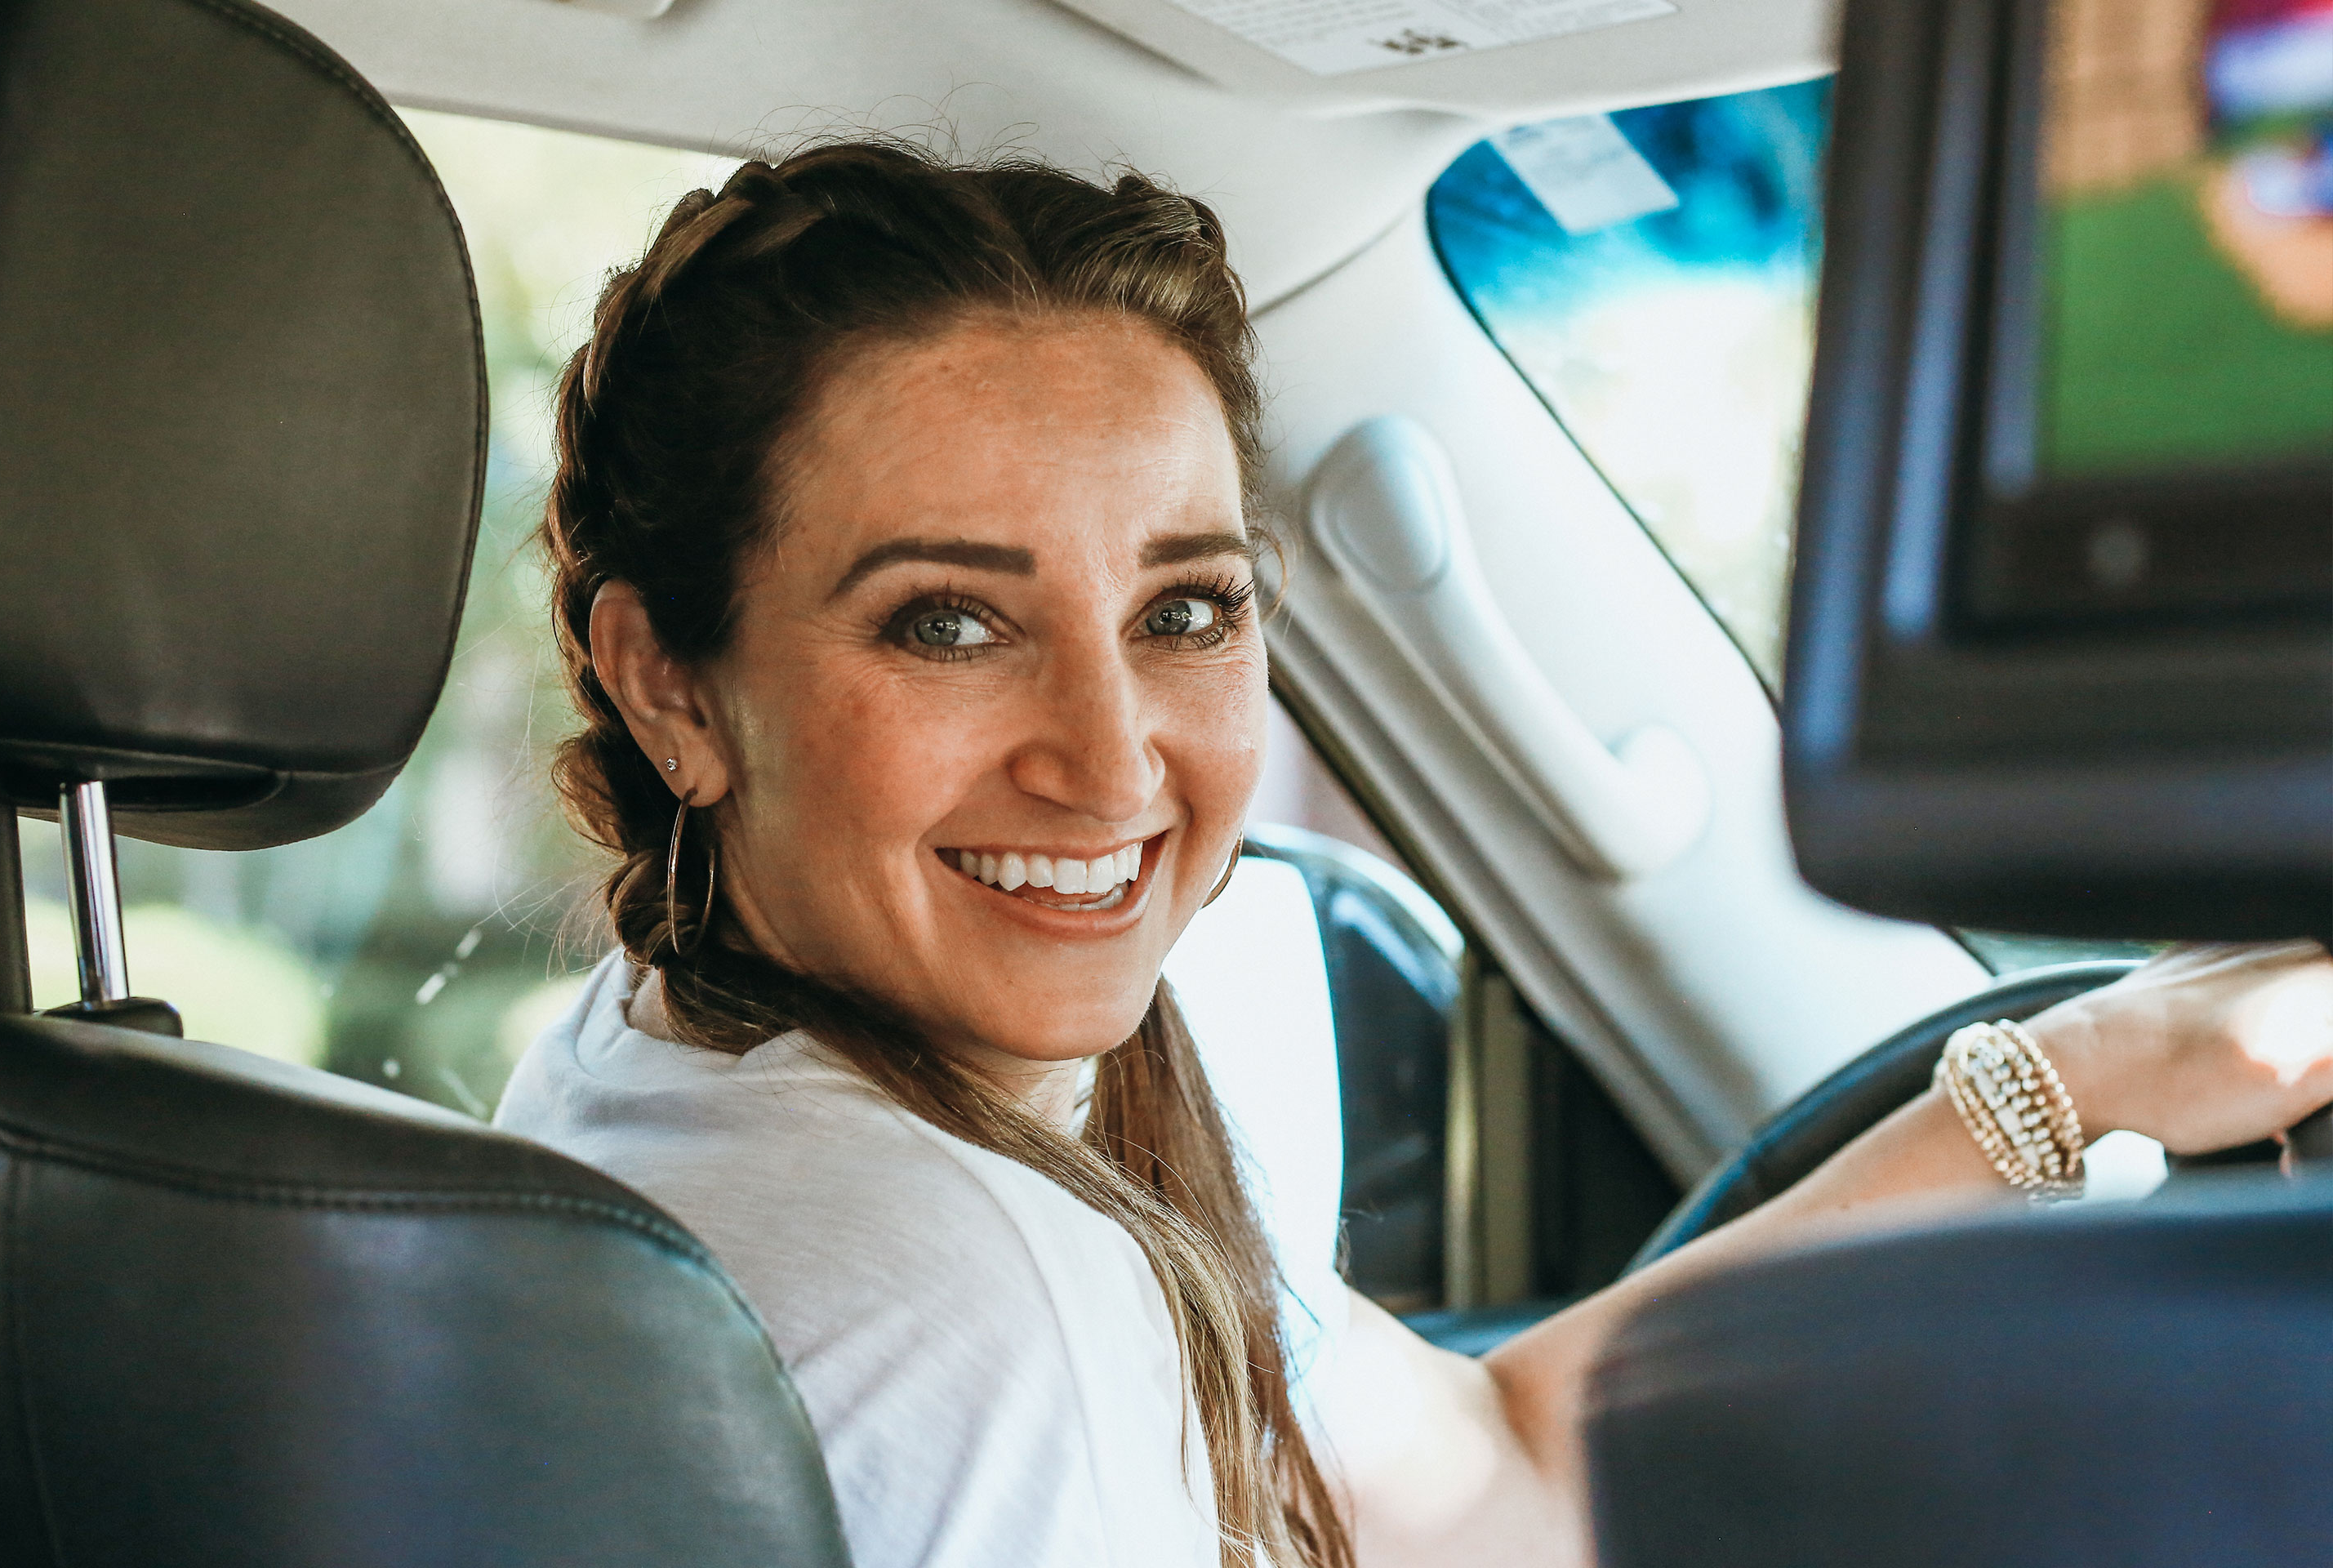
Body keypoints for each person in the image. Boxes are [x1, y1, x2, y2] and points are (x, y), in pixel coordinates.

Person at [492, 141, 2333, 1568]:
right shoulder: (970, 1290)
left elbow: (1484, 1479)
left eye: (1188, 609)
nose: (1113, 759)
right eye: (948, 626)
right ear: (672, 685)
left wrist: (2076, 1076)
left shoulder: (661, 1059)